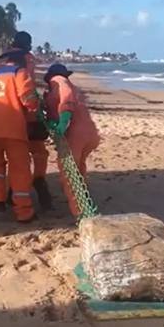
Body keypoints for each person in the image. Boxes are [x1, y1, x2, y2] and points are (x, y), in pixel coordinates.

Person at [0, 31, 52, 209]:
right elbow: (28, 86)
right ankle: (39, 180)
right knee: (39, 152)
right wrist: (37, 106)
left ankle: (9, 191)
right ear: (27, 44)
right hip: (23, 113)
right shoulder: (27, 58)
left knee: (12, 155)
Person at [0, 53, 40, 223]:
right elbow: (28, 99)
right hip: (12, 126)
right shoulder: (19, 72)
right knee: (19, 168)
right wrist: (36, 108)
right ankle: (24, 212)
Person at [43, 63, 100, 218]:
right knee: (79, 168)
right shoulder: (72, 88)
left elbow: (66, 101)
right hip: (90, 133)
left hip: (75, 134)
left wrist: (63, 121)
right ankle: (86, 203)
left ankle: (82, 213)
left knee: (69, 173)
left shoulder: (59, 81)